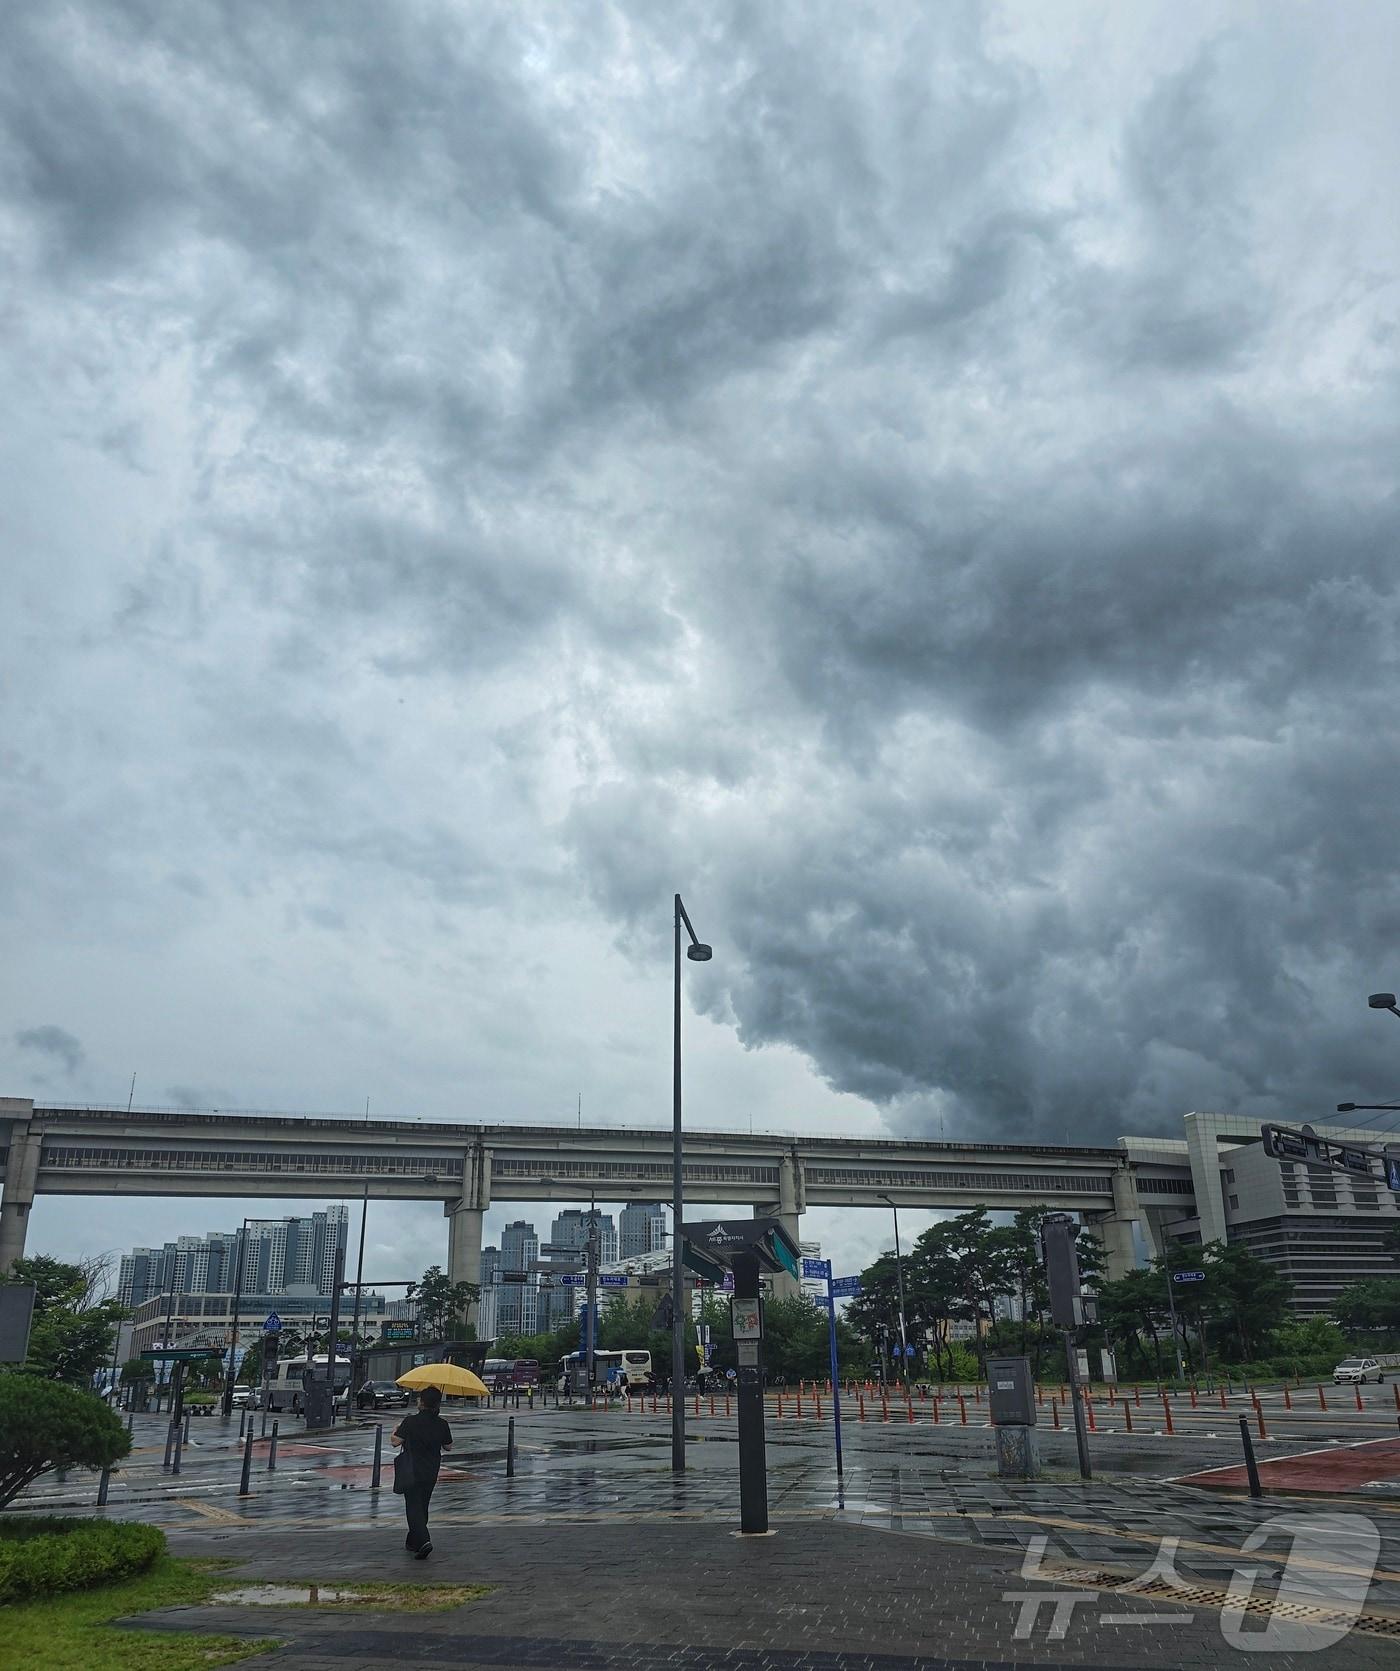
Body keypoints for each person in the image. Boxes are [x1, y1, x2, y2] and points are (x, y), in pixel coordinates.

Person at [391, 1385, 452, 1558]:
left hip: (412, 1469)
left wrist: (394, 1430)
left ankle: (424, 1540)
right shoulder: (442, 1423)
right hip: (432, 1469)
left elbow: (395, 1442)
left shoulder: (410, 1421)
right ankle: (413, 1541)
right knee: (422, 1505)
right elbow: (448, 1446)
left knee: (413, 1506)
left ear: (422, 1402)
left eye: (419, 1399)